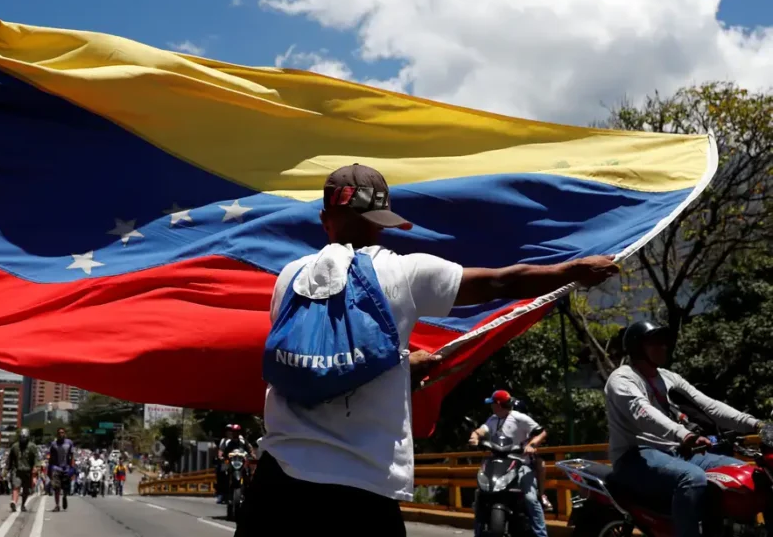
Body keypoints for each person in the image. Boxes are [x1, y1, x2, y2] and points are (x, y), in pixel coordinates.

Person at [233, 164, 619, 537]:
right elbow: (500, 283)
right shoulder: (404, 273)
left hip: (276, 482)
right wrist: (571, 272)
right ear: (381, 221)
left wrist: (400, 366)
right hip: (362, 485)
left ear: (325, 219)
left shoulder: (290, 278)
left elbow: (318, 360)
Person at [605, 321, 767, 537]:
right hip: (635, 456)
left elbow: (709, 406)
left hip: (675, 452)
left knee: (744, 473)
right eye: (655, 342)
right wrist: (685, 434)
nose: (663, 347)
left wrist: (756, 424)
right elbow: (643, 413)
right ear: (638, 348)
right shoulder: (622, 378)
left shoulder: (668, 377)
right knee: (692, 478)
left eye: (664, 342)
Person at [469, 390, 549, 537]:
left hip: (520, 462)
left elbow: (541, 432)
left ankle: (541, 534)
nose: (491, 406)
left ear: (499, 405)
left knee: (531, 499)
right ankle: (478, 532)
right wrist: (475, 436)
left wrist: (532, 444)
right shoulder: (493, 419)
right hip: (497, 462)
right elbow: (481, 430)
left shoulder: (519, 418)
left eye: (493, 403)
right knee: (481, 495)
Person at [8, 428, 38, 512]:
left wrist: (35, 467)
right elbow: (10, 458)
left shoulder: (32, 446)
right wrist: (7, 468)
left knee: (26, 490)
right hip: (17, 470)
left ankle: (23, 505)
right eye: (21, 437)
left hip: (28, 471)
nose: (23, 439)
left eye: (24, 437)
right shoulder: (14, 446)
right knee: (16, 486)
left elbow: (36, 458)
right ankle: (14, 502)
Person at [48, 427, 75, 511]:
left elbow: (72, 456)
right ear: (57, 434)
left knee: (65, 486)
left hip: (66, 468)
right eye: (59, 433)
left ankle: (64, 496)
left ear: (65, 433)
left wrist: (72, 468)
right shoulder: (53, 444)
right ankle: (57, 505)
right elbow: (51, 457)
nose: (61, 434)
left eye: (62, 432)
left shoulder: (69, 443)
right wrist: (49, 468)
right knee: (56, 487)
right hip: (56, 468)